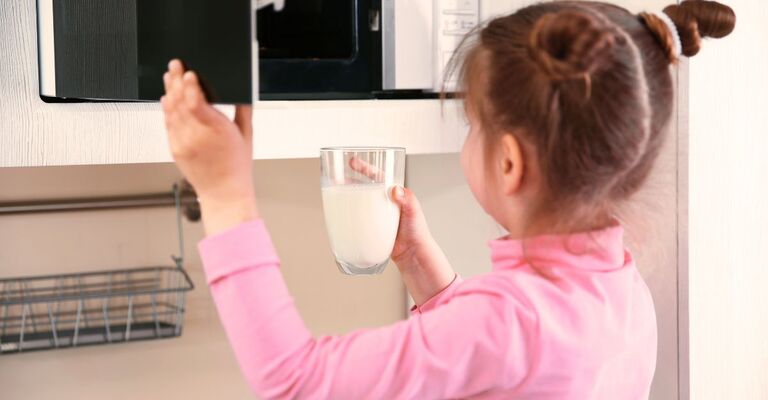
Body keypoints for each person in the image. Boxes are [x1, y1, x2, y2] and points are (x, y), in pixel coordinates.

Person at [160, 1, 735, 398]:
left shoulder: (509, 324)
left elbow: (295, 381)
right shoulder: (621, 289)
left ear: (508, 162)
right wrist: (419, 261)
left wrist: (224, 192)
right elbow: (502, 368)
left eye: (472, 123)